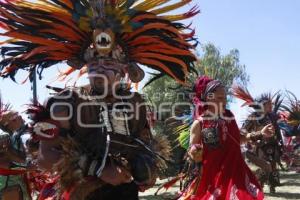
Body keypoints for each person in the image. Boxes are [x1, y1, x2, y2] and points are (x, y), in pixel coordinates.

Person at [0, 0, 199, 199]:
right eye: (94, 62)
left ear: (125, 70)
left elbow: (144, 143)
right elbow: (45, 157)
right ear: (85, 65)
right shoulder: (66, 102)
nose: (100, 69)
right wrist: (99, 170)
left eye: (109, 62)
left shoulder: (135, 103)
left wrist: (146, 167)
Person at [179, 76, 264, 200]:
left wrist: (260, 133)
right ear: (208, 98)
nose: (224, 101)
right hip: (212, 177)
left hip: (236, 172)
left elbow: (239, 139)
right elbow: (191, 151)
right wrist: (194, 151)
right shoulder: (200, 123)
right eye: (220, 98)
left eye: (225, 98)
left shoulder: (230, 117)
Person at [232, 86, 284, 193]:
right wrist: (253, 137)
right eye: (269, 104)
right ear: (262, 105)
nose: (271, 106)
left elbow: (277, 130)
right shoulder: (253, 117)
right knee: (265, 166)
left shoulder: (272, 116)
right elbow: (243, 131)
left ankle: (272, 186)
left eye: (271, 104)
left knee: (273, 167)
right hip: (260, 146)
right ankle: (258, 184)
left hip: (273, 145)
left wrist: (280, 141)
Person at [0, 97, 33, 200]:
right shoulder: (3, 138)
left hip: (16, 182)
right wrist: (26, 167)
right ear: (10, 122)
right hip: (8, 184)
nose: (23, 119)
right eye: (18, 117)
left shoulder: (16, 136)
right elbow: (2, 163)